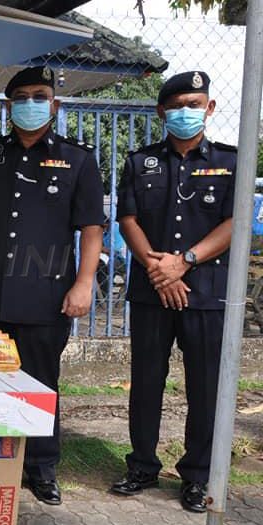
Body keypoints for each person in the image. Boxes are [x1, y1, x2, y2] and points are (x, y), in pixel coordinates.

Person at [0, 66, 105, 506]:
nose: (29, 104)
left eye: (39, 96)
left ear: (54, 104)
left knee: (41, 383)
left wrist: (84, 284)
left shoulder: (78, 159)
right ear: (8, 107)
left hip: (47, 294)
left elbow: (92, 227)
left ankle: (42, 469)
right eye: (20, 97)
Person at [111, 71, 234, 514]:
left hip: (206, 293)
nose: (186, 111)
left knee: (204, 388)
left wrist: (184, 262)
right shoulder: (140, 161)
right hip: (151, 292)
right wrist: (158, 268)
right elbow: (128, 219)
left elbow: (234, 224)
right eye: (178, 104)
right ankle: (141, 466)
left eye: (195, 103)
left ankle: (197, 477)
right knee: (146, 382)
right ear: (162, 111)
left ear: (210, 107)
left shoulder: (231, 162)